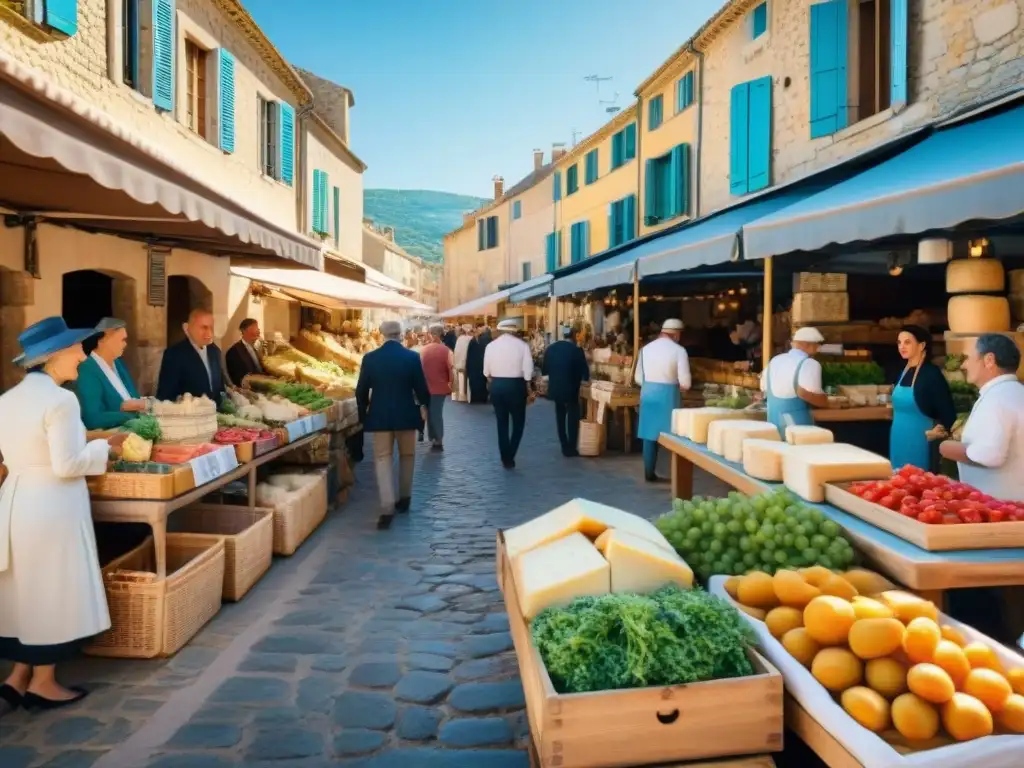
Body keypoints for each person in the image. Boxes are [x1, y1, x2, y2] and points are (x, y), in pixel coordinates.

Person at [0, 317, 129, 715]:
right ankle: (43, 683)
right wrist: (108, 448)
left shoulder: (7, 399)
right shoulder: (61, 400)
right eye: (75, 349)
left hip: (16, 503)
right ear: (53, 357)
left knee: (28, 593)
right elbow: (67, 463)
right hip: (52, 507)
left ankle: (17, 678)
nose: (81, 355)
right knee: (51, 591)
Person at [355, 321, 431, 529]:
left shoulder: (370, 359)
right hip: (406, 414)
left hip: (379, 416)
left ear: (382, 335)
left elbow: (361, 391)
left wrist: (364, 414)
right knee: (407, 456)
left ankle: (387, 506)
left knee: (382, 459)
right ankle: (404, 498)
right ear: (400, 335)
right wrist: (425, 406)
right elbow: (422, 389)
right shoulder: (412, 358)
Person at [940, 334, 1024, 500]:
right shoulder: (1016, 392)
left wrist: (947, 447)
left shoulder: (997, 399)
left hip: (1001, 506)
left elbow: (990, 455)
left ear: (989, 360)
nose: (964, 365)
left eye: (969, 358)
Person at [890, 325, 957, 471]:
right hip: (898, 438)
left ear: (922, 345)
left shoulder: (931, 375)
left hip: (921, 441)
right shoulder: (902, 372)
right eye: (899, 343)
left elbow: (948, 413)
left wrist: (940, 430)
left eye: (907, 342)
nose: (902, 346)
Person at [635, 319, 691, 482]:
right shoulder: (679, 351)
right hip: (669, 396)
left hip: (648, 393)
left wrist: (652, 382)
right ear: (676, 334)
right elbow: (686, 383)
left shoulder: (645, 350)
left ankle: (649, 472)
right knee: (673, 437)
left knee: (649, 435)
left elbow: (638, 377)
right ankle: (676, 474)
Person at [74, 318, 147, 430]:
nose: (125, 344)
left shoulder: (117, 363)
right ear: (103, 339)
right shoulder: (87, 369)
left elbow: (134, 397)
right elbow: (92, 418)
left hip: (133, 430)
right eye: (122, 340)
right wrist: (129, 414)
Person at [484, 319, 534, 469]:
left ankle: (505, 456)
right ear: (514, 331)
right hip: (516, 386)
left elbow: (486, 371)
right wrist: (528, 383)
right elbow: (528, 370)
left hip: (497, 385)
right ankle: (510, 455)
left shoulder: (491, 346)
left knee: (502, 422)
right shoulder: (523, 346)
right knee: (518, 423)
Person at [761, 327, 829, 434]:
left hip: (773, 425)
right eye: (817, 345)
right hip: (798, 428)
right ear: (808, 345)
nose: (818, 349)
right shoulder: (810, 364)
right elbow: (810, 396)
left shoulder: (775, 360)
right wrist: (828, 402)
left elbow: (764, 389)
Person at [156, 308, 226, 403]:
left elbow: (220, 389)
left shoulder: (215, 351)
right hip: (189, 416)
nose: (209, 333)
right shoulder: (174, 354)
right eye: (204, 327)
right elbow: (165, 396)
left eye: (211, 328)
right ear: (186, 328)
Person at [542, 325, 590, 457]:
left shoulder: (550, 349)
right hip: (571, 389)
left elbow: (544, 370)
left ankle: (564, 445)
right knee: (573, 416)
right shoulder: (576, 350)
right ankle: (572, 447)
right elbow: (585, 373)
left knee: (560, 416)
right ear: (574, 336)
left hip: (556, 389)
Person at [420, 324, 454, 451]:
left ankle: (433, 437)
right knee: (436, 412)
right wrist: (451, 384)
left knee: (429, 412)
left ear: (431, 334)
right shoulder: (446, 351)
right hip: (440, 386)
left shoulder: (423, 350)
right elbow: (450, 369)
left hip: (425, 385)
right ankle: (438, 439)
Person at [225, 318, 264, 386]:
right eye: (255, 327)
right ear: (244, 330)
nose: (258, 330)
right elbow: (237, 379)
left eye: (258, 328)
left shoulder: (257, 349)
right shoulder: (234, 351)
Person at [466, 325, 489, 404]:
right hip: (480, 366)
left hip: (474, 367)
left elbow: (469, 356)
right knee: (481, 383)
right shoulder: (481, 340)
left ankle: (476, 398)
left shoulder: (474, 341)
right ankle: (481, 398)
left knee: (475, 384)